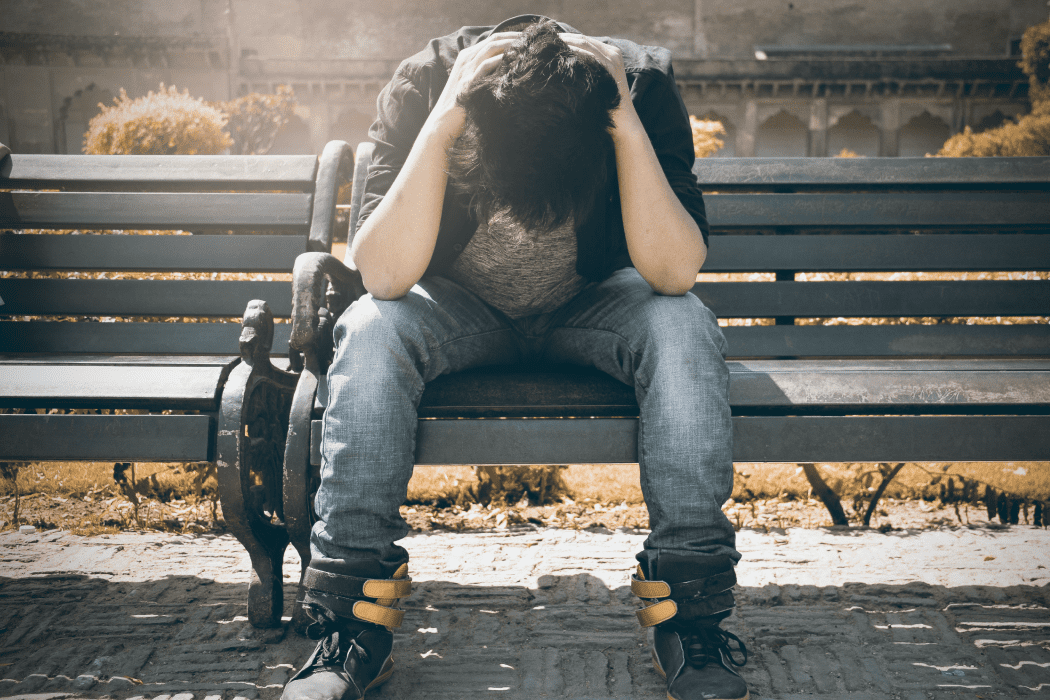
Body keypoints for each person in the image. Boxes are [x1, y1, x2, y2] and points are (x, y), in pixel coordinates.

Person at [282, 15, 748, 700]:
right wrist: (443, 122)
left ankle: (691, 617)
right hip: (459, 309)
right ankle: (352, 627)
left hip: (593, 305)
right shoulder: (425, 84)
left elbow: (674, 272)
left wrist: (622, 123)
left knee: (683, 326)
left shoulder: (639, 87)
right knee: (373, 328)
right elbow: (381, 275)